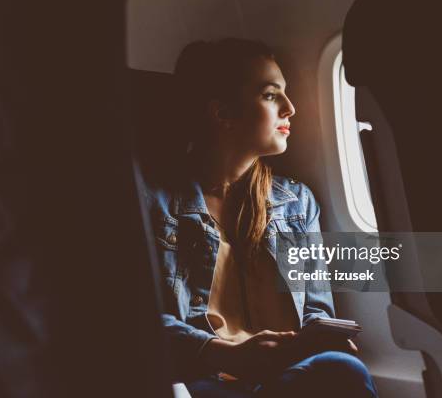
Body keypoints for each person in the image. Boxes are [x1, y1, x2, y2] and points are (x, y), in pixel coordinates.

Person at [145, 38, 377, 397]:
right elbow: (135, 322)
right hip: (204, 377)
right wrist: (225, 354)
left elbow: (315, 310)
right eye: (271, 95)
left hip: (283, 375)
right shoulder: (151, 202)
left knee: (342, 369)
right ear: (222, 113)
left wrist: (322, 340)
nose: (291, 108)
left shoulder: (297, 203)